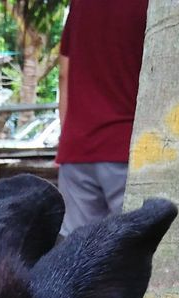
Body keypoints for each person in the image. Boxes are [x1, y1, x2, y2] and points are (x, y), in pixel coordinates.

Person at [55, 0, 150, 234]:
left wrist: (67, 136)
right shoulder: (151, 5)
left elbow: (64, 73)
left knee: (76, 253)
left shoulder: (80, 5)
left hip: (77, 149)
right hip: (129, 148)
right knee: (136, 246)